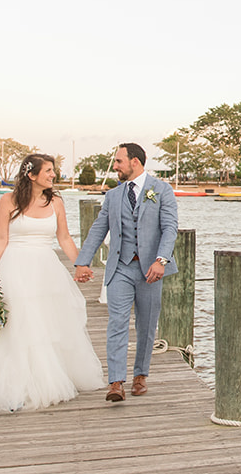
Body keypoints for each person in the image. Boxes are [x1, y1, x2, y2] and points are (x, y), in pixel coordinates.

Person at [0, 154, 105, 412]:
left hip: (46, 268)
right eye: (48, 171)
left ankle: (45, 377)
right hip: (14, 266)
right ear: (31, 175)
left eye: (53, 170)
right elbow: (0, 237)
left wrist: (80, 263)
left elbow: (65, 238)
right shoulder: (8, 201)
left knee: (44, 322)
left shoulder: (56, 201)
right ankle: (13, 386)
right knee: (18, 325)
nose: (53, 175)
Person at [74, 143, 178, 402]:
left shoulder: (162, 190)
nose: (115, 166)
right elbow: (99, 228)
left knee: (146, 325)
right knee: (117, 323)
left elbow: (170, 228)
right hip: (120, 267)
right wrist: (82, 261)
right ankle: (116, 382)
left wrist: (160, 261)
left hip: (151, 270)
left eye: (119, 161)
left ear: (135, 162)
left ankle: (141, 375)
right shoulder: (113, 195)